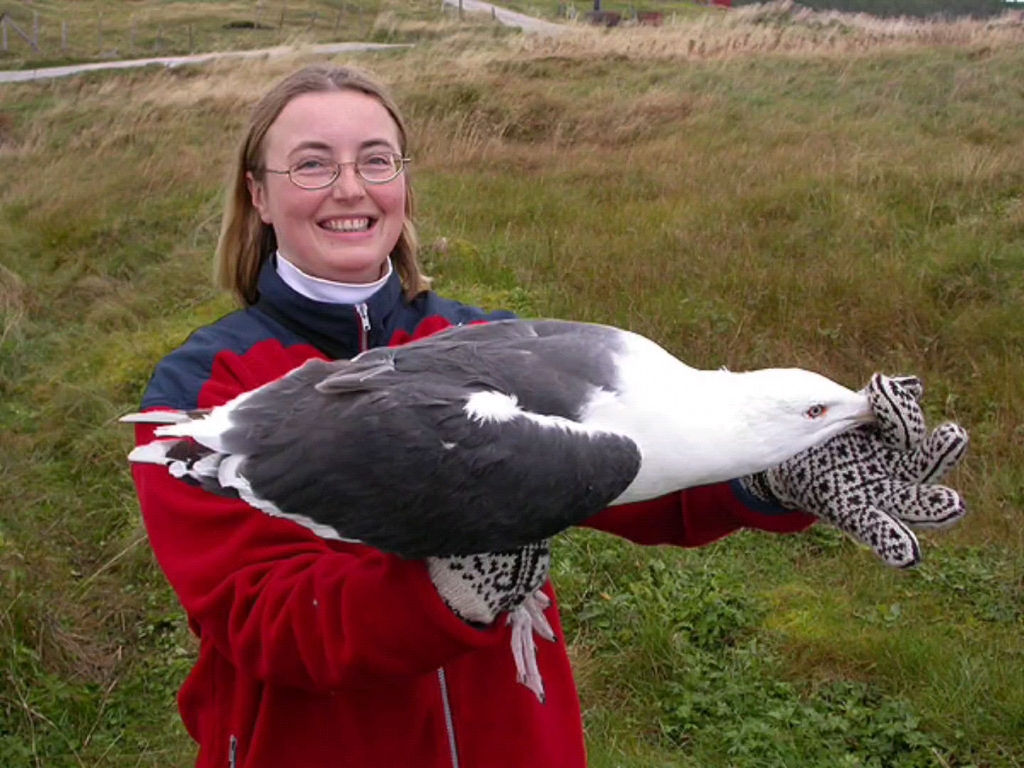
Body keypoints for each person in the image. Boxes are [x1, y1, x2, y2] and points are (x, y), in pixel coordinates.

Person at [128, 64, 969, 768]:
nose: (351, 187)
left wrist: (777, 471)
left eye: (376, 160)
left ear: (404, 183)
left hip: (514, 740)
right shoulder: (206, 383)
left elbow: (624, 473)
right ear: (260, 196)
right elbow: (263, 620)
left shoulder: (474, 335)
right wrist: (446, 596)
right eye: (313, 165)